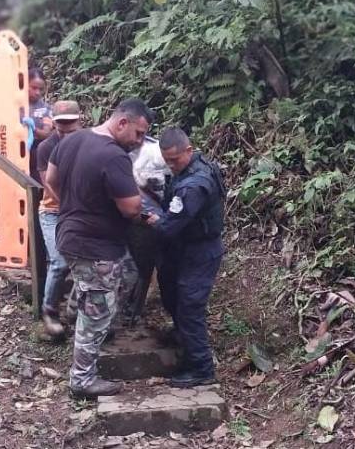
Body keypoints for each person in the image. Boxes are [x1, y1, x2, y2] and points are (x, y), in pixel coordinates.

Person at [45, 98, 154, 398]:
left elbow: (51, 179)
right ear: (122, 123)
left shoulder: (71, 140)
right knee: (98, 314)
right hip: (96, 247)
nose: (139, 141)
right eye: (139, 133)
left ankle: (73, 310)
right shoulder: (113, 156)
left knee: (129, 274)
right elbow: (131, 208)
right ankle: (81, 380)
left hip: (69, 236)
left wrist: (73, 203)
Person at [146, 127, 225, 388]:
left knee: (190, 306)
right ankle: (185, 343)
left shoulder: (195, 184)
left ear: (189, 151)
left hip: (200, 250)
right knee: (173, 296)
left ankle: (202, 368)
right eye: (166, 160)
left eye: (175, 159)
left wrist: (154, 220)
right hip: (183, 248)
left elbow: (171, 225)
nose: (171, 165)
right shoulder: (190, 169)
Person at [37, 100, 82, 338]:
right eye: (60, 125)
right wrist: (71, 205)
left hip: (80, 211)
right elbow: (49, 183)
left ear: (80, 121)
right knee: (59, 261)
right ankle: (49, 310)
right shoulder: (47, 147)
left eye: (70, 124)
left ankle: (75, 308)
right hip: (53, 211)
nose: (65, 130)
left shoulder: (88, 143)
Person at [124, 137, 170, 321]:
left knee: (144, 268)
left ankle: (133, 310)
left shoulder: (154, 151)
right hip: (139, 220)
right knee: (139, 267)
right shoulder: (129, 153)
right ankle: (131, 309)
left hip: (153, 221)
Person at [27, 67, 54, 181]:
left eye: (41, 89)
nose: (37, 92)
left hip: (37, 153)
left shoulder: (45, 109)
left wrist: (32, 129)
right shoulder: (14, 106)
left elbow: (47, 134)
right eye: (33, 88)